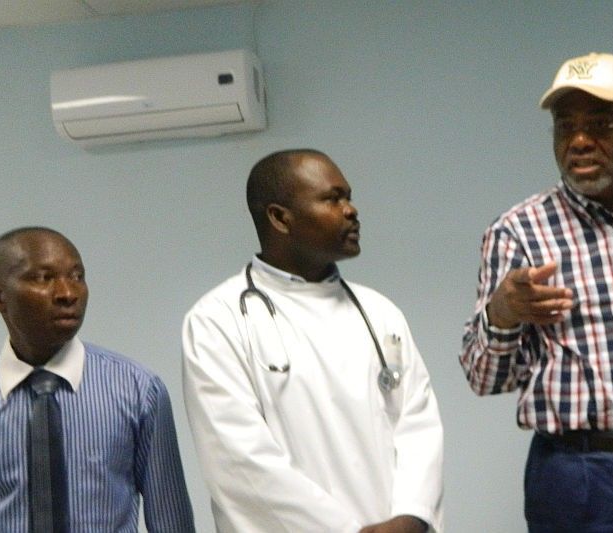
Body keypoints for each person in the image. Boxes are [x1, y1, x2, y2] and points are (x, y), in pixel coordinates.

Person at [460, 52, 613, 532]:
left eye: (600, 124)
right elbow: (483, 379)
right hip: (582, 478)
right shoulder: (518, 232)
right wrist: (503, 312)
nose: (580, 140)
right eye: (565, 126)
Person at [182, 149, 444, 532]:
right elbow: (239, 459)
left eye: (349, 197)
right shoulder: (217, 321)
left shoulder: (380, 312)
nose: (351, 210)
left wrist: (412, 516)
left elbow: (418, 424)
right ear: (279, 218)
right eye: (332, 199)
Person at [0, 227, 195, 532]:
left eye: (77, 276)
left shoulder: (139, 392)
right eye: (44, 278)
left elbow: (172, 522)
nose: (68, 293)